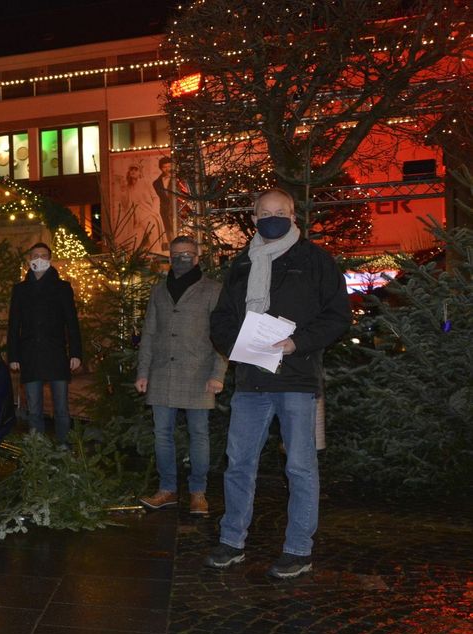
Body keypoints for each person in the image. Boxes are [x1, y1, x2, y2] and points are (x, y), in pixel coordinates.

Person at [205, 188, 351, 579]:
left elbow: (338, 316)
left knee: (301, 467)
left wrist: (296, 342)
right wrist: (234, 343)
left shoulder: (316, 260)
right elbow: (220, 318)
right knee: (238, 465)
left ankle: (298, 549)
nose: (273, 217)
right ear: (254, 219)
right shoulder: (240, 264)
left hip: (296, 379)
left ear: (294, 215)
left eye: (280, 211)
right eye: (265, 213)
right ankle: (232, 541)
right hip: (251, 380)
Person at [136, 236, 227, 516]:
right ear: (170, 258)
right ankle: (168, 490)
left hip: (199, 375)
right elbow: (149, 333)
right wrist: (143, 372)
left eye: (187, 253)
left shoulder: (214, 290)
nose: (181, 258)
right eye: (176, 254)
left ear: (197, 257)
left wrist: (218, 374)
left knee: (198, 434)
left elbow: (222, 336)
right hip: (162, 373)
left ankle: (198, 492)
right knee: (162, 434)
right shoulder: (159, 291)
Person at [7, 243, 83, 446]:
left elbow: (72, 322)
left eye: (43, 255)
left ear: (50, 260)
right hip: (31, 356)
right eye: (35, 255)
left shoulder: (62, 288)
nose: (39, 259)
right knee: (34, 410)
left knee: (61, 409)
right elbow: (14, 325)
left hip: (56, 355)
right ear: (29, 259)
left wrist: (75, 353)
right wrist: (13, 356)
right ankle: (37, 454)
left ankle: (63, 450)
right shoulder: (20, 290)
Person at [152, 157, 175, 245]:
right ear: (161, 168)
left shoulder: (178, 179)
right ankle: (171, 245)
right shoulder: (156, 183)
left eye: (169, 166)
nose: (167, 169)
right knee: (168, 229)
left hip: (178, 209)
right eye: (164, 167)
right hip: (164, 209)